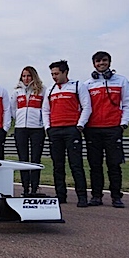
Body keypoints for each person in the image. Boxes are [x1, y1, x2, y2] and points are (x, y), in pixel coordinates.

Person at [84, 51, 129, 208]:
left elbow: (128, 103)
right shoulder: (88, 84)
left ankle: (116, 197)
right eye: (98, 61)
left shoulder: (121, 81)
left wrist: (123, 123)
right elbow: (84, 106)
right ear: (94, 64)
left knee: (114, 164)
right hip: (92, 129)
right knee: (95, 164)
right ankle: (96, 196)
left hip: (113, 128)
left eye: (104, 61)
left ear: (109, 62)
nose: (101, 63)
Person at [43, 60, 92, 207]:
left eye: (56, 73)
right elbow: (45, 110)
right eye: (52, 74)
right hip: (55, 131)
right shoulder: (50, 89)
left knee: (76, 164)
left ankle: (82, 197)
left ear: (65, 72)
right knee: (58, 165)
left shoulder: (77, 86)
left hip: (72, 130)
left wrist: (80, 125)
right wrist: (48, 128)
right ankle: (60, 195)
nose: (54, 77)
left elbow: (87, 107)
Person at [10, 66, 47, 196]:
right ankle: (25, 189)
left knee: (35, 159)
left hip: (37, 129)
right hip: (20, 129)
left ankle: (34, 188)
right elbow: (13, 110)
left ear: (33, 76)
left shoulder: (42, 90)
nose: (26, 78)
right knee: (23, 160)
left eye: (29, 76)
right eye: (24, 76)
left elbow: (46, 108)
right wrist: (20, 120)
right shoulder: (17, 92)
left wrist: (40, 122)